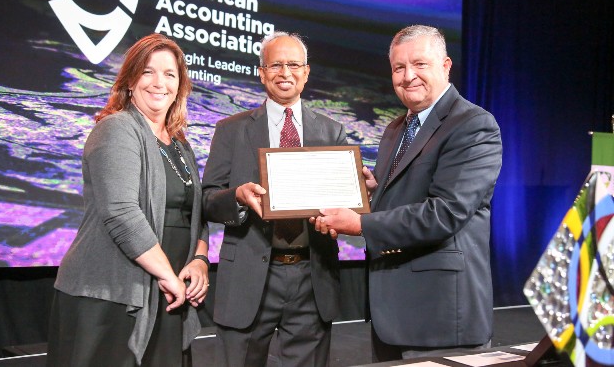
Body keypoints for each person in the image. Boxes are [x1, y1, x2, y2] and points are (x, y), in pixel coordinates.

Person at [312, 25, 503, 362]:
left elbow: (445, 213)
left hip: (440, 316)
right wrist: (372, 193)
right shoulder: (396, 128)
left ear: (445, 66)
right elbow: (406, 195)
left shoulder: (473, 125)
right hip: (390, 314)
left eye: (419, 64)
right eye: (398, 67)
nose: (408, 76)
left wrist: (360, 224)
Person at [47, 33, 210, 367]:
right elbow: (121, 213)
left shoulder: (181, 145)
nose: (159, 83)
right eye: (148, 71)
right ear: (130, 80)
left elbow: (195, 212)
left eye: (170, 74)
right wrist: (168, 275)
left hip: (167, 293)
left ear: (180, 85)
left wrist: (199, 259)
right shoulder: (117, 128)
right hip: (112, 295)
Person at [202, 31, 347, 367]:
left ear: (306, 72)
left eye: (294, 65)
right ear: (262, 72)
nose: (285, 73)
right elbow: (207, 198)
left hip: (312, 278)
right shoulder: (231, 129)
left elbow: (341, 202)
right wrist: (237, 197)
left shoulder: (332, 132)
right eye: (276, 65)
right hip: (248, 277)